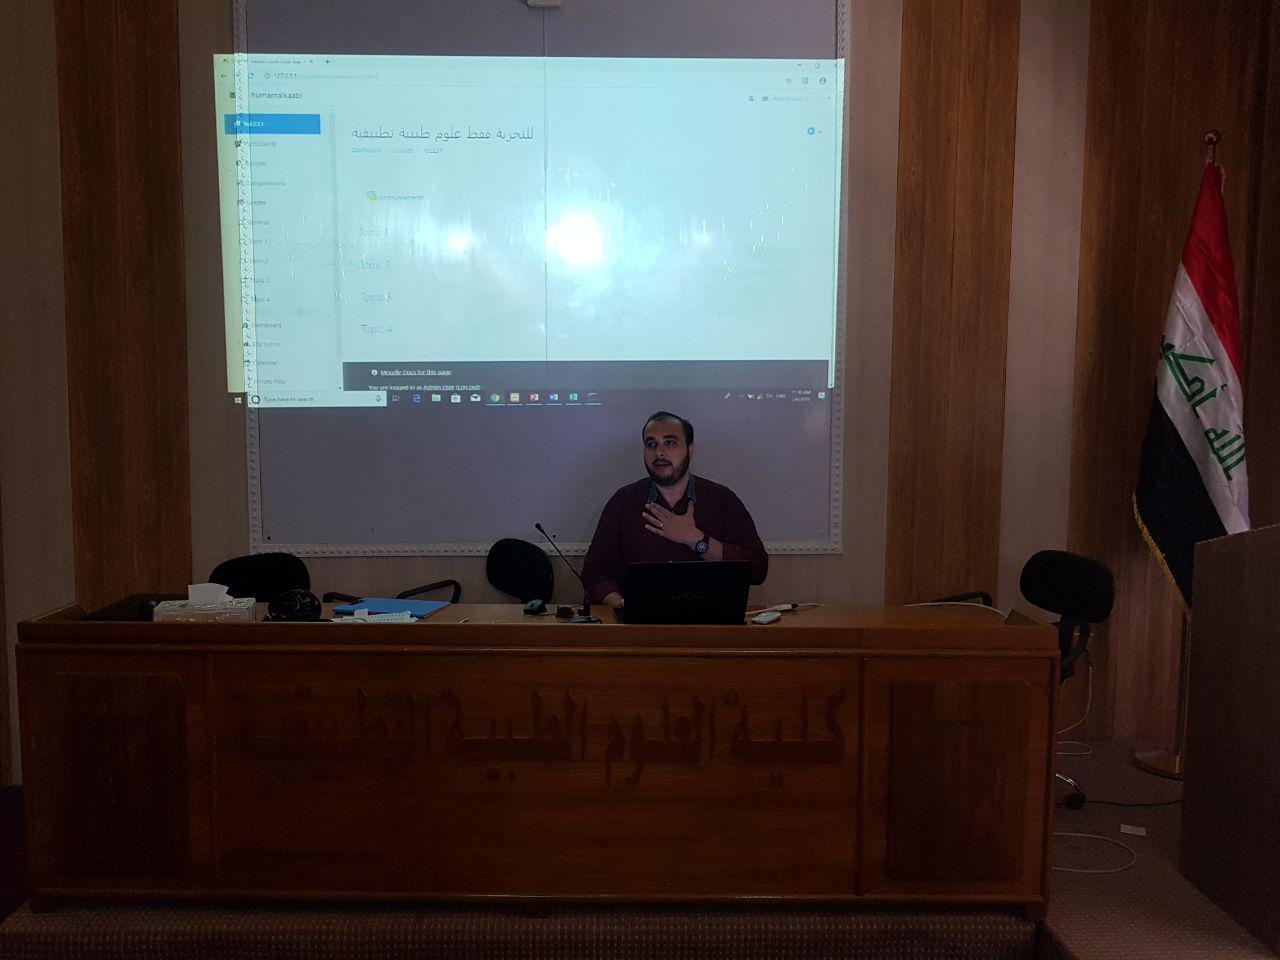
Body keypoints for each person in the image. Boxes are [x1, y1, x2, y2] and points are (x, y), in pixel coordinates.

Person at [582, 411, 768, 608]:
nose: (659, 453)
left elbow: (757, 569)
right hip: (639, 622)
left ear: (690, 450)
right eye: (651, 444)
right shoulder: (623, 502)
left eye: (670, 443)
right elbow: (595, 572)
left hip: (710, 621)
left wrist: (695, 539)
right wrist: (621, 605)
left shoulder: (722, 500)